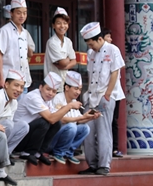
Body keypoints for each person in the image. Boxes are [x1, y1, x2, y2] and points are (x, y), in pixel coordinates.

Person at [79, 22, 125, 176]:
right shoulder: (91, 54)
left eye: (92, 44)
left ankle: (104, 165)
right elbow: (90, 75)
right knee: (88, 130)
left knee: (104, 130)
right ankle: (92, 164)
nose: (90, 47)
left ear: (99, 39)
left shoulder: (113, 50)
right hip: (91, 96)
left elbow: (115, 72)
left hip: (105, 96)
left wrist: (108, 94)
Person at [9, 72, 81, 166]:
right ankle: (28, 152)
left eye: (54, 91)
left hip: (28, 136)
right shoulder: (33, 97)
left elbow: (55, 118)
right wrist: (69, 106)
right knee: (44, 123)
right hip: (17, 139)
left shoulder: (47, 100)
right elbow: (50, 118)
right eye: (48, 89)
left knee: (56, 123)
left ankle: (38, 152)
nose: (50, 93)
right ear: (40, 87)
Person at [46, 70, 98, 164]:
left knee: (85, 128)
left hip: (64, 136)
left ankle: (68, 152)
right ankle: (58, 152)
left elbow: (79, 120)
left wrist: (89, 117)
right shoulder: (58, 98)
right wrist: (81, 118)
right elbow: (61, 120)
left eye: (80, 89)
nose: (78, 92)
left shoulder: (73, 101)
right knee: (71, 127)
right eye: (76, 89)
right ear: (67, 87)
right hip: (52, 139)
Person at [0, 0, 34, 89]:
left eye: (24, 13)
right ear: (11, 13)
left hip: (23, 80)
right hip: (9, 79)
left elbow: (29, 54)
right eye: (18, 13)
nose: (22, 16)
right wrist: (1, 78)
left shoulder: (25, 32)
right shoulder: (4, 31)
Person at [102, 28, 125, 158]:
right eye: (108, 37)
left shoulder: (114, 50)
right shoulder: (94, 52)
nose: (110, 39)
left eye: (110, 37)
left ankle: (114, 148)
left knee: (113, 121)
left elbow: (119, 67)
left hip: (115, 93)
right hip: (101, 93)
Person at [0, 69, 24, 155]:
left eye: (21, 87)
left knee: (24, 126)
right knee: (8, 124)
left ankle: (6, 153)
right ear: (6, 84)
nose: (19, 90)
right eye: (16, 85)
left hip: (2, 131)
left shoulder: (14, 102)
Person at [44, 7, 77, 80]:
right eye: (59, 23)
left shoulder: (68, 41)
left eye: (65, 23)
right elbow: (63, 63)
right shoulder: (52, 42)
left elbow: (74, 61)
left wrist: (64, 66)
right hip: (52, 81)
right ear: (53, 25)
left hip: (64, 80)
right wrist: (68, 59)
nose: (62, 26)